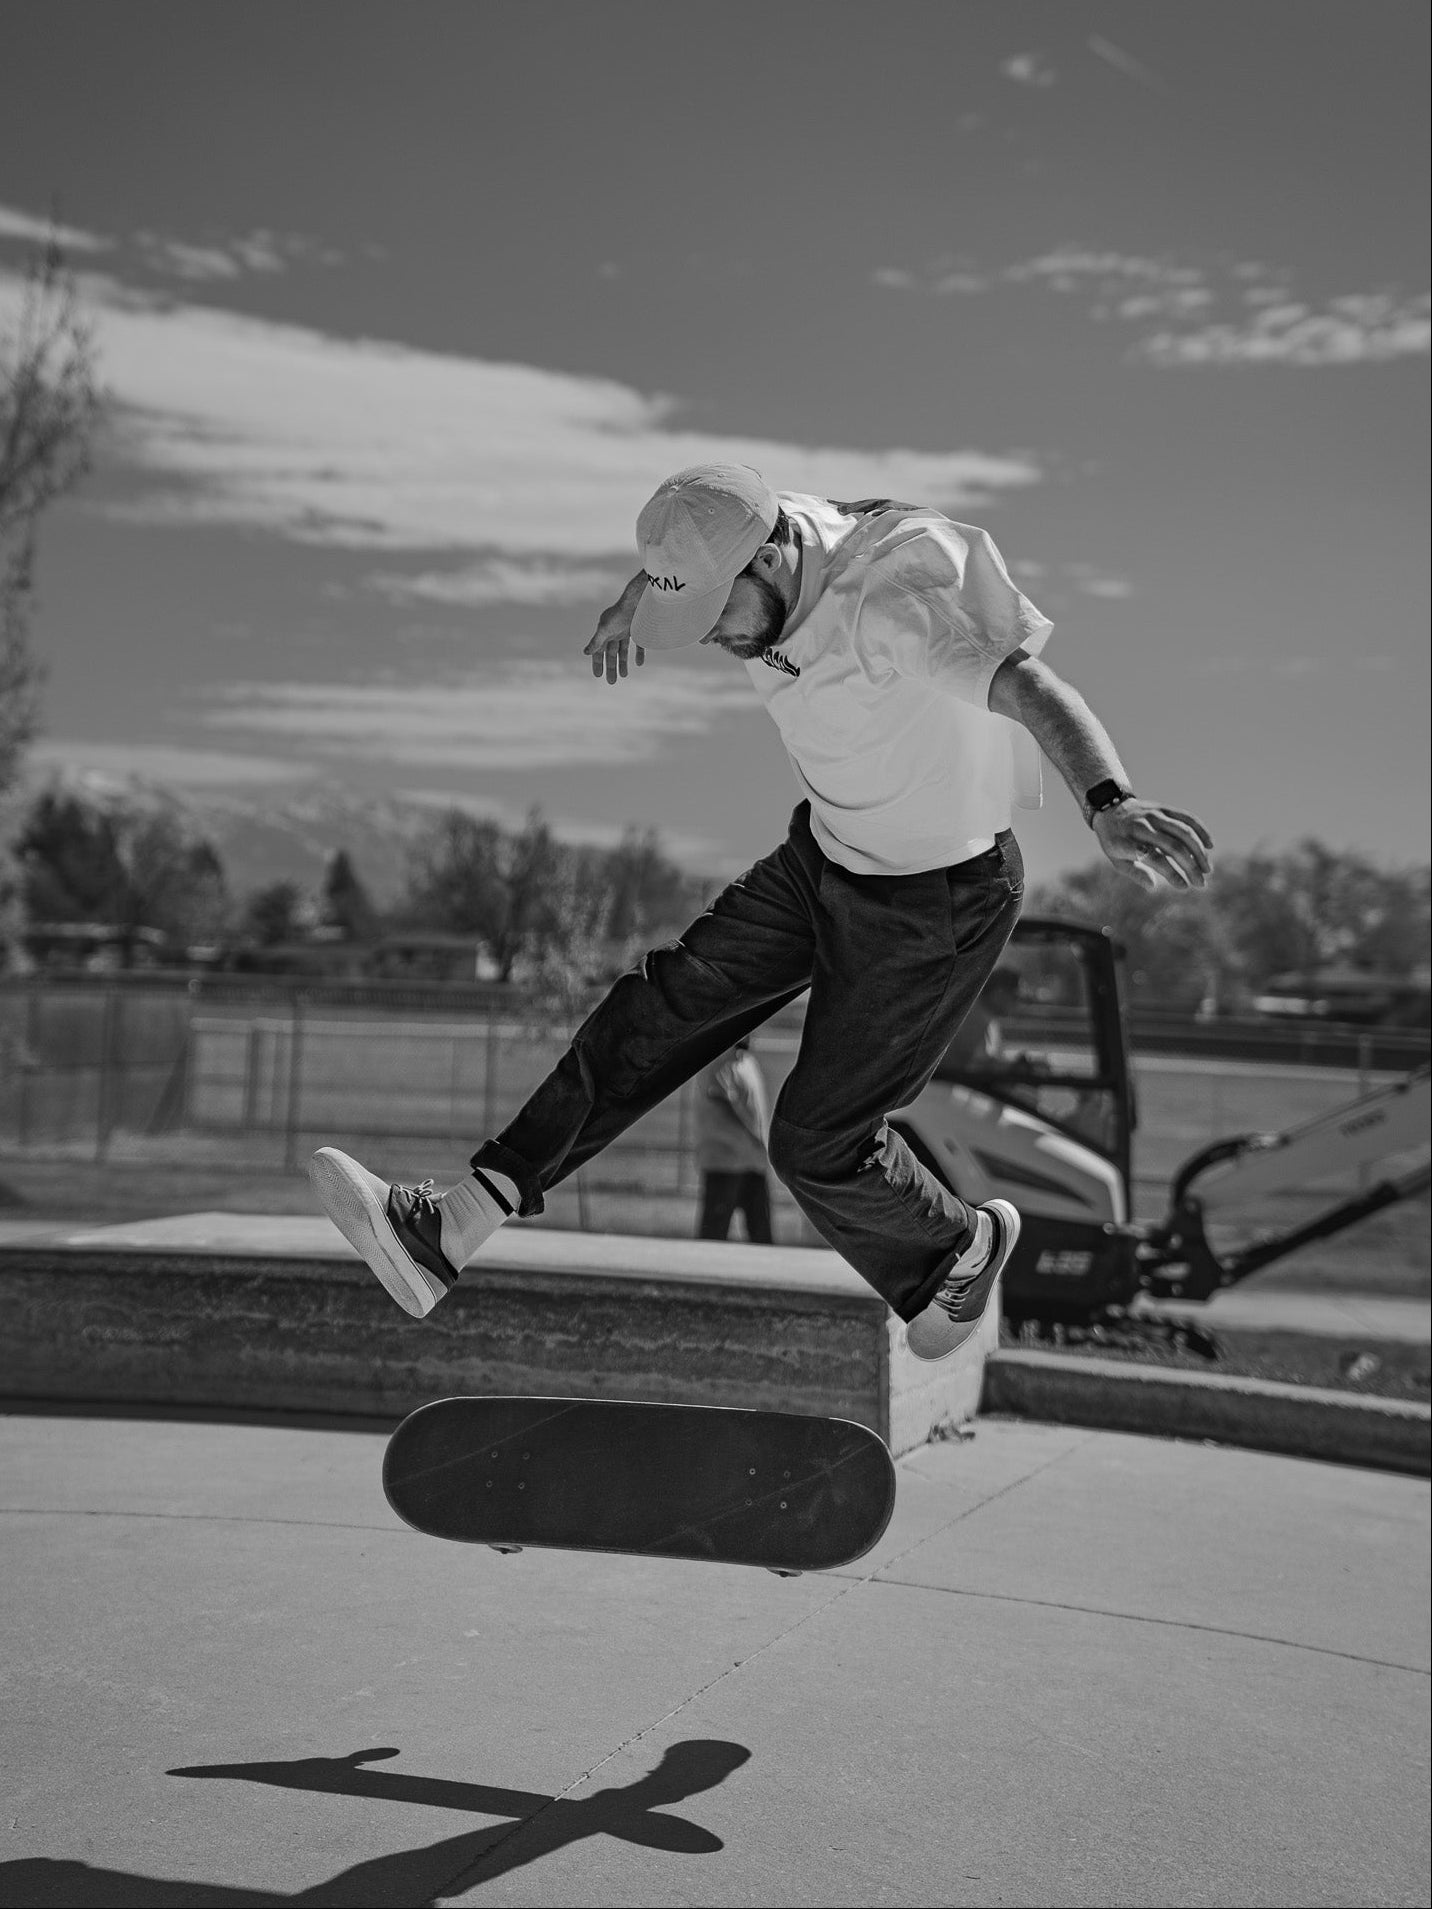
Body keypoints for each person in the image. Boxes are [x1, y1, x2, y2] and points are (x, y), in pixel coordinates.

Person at [311, 465, 1212, 1361]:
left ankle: (957, 1248)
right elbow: (693, 558)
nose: (709, 640)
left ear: (774, 563)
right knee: (656, 1010)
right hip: (822, 856)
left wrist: (1110, 802)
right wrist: (640, 602)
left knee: (815, 1140)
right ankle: (450, 1230)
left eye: (714, 618)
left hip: (938, 900)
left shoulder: (901, 593)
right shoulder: (743, 541)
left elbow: (1033, 688)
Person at [695, 1035, 774, 1243]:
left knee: (760, 1233)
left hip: (752, 1159)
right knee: (714, 1233)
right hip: (725, 1160)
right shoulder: (718, 1061)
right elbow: (743, 1109)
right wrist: (762, 1139)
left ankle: (765, 1274)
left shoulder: (746, 1061)